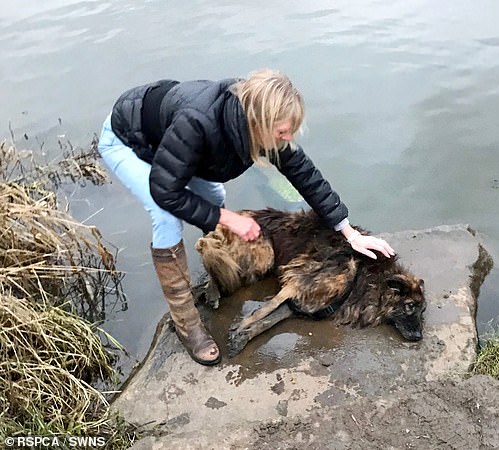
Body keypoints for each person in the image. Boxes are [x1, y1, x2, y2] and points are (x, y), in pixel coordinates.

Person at [97, 69, 395, 366]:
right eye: (282, 132)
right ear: (259, 122)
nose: (288, 138)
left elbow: (307, 177)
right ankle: (186, 323)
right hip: (129, 141)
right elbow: (164, 191)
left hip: (172, 143)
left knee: (214, 198)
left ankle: (216, 263)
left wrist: (349, 232)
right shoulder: (197, 122)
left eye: (290, 131)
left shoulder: (262, 127)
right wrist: (228, 218)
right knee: (165, 216)